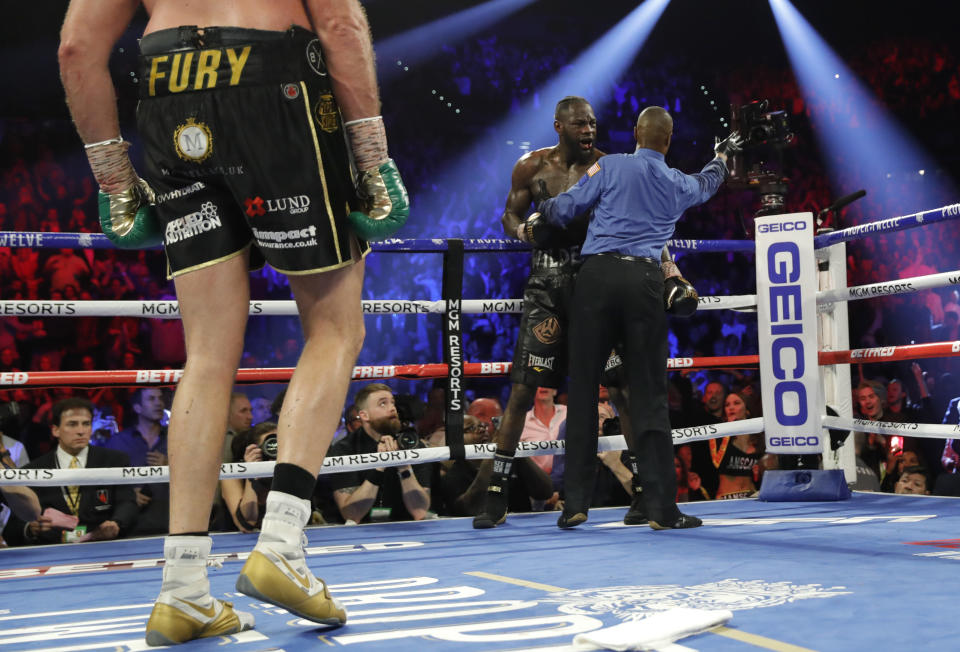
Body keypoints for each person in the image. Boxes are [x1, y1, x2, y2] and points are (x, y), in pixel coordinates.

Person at [59, 0, 407, 645]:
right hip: (274, 89)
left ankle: (183, 591)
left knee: (208, 355)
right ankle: (279, 547)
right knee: (334, 328)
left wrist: (113, 180)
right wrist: (371, 156)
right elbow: (339, 25)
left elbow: (78, 48)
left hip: (167, 93)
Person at [472, 97, 694, 529]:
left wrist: (671, 271)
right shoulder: (531, 167)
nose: (588, 130)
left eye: (592, 123)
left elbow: (646, 224)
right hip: (548, 283)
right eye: (579, 124)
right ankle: (496, 494)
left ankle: (643, 492)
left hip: (598, 280)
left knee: (622, 389)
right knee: (523, 390)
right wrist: (523, 231)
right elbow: (510, 213)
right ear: (559, 126)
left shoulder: (612, 167)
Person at [529, 105, 739, 529]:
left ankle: (575, 505)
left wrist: (543, 211)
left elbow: (567, 208)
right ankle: (663, 509)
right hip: (644, 282)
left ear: (637, 135)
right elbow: (708, 182)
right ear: (668, 140)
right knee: (649, 395)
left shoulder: (610, 166)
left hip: (598, 278)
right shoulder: (677, 182)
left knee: (585, 389)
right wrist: (721, 157)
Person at [2, 398, 138, 545]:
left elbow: (127, 502)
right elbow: (15, 522)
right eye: (72, 424)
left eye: (86, 424)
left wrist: (116, 524)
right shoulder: (33, 469)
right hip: (51, 550)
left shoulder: (114, 461)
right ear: (55, 430)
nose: (80, 431)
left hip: (104, 545)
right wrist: (30, 528)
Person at [327, 384, 432, 523]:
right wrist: (379, 466)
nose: (392, 408)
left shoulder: (412, 444)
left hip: (405, 526)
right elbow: (352, 515)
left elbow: (420, 511)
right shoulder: (344, 450)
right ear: (364, 415)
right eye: (383, 403)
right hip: (359, 532)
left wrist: (403, 465)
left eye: (392, 402)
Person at [102, 387, 170, 535]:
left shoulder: (176, 439)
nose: (159, 403)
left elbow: (196, 479)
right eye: (152, 399)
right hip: (129, 529)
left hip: (171, 525)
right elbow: (103, 486)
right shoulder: (118, 442)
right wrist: (128, 495)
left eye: (160, 398)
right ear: (137, 407)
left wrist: (170, 466)